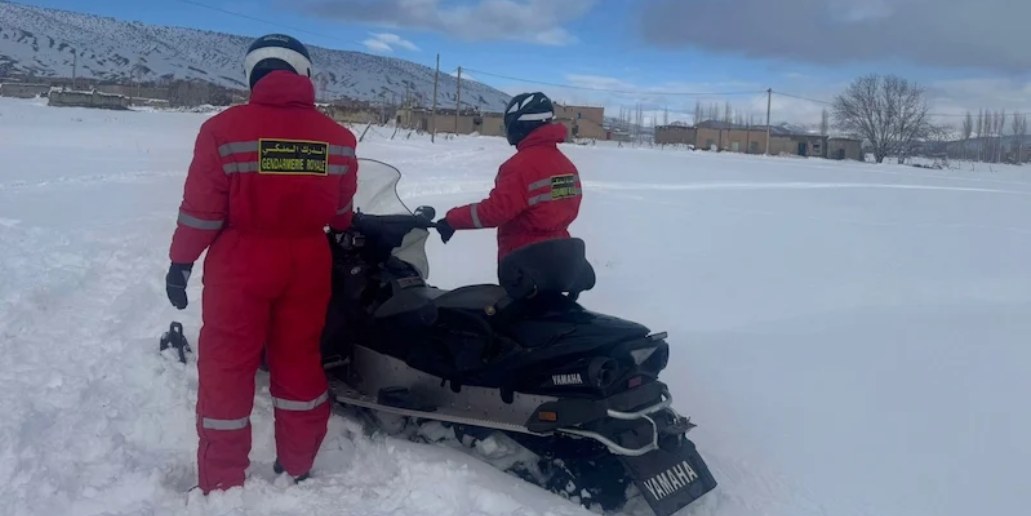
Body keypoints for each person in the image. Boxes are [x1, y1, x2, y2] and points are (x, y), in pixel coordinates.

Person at [164, 33, 358, 494]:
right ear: (303, 74)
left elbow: (201, 210)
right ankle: (298, 464)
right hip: (308, 262)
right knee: (299, 361)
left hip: (241, 263)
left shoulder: (222, 130)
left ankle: (223, 479)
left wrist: (181, 262)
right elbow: (341, 214)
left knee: (228, 367)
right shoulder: (340, 139)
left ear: (253, 73)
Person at [435, 92, 582, 262]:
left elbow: (495, 211)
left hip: (525, 259)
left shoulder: (520, 166)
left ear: (519, 125)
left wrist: (452, 220)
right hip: (560, 255)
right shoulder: (566, 165)